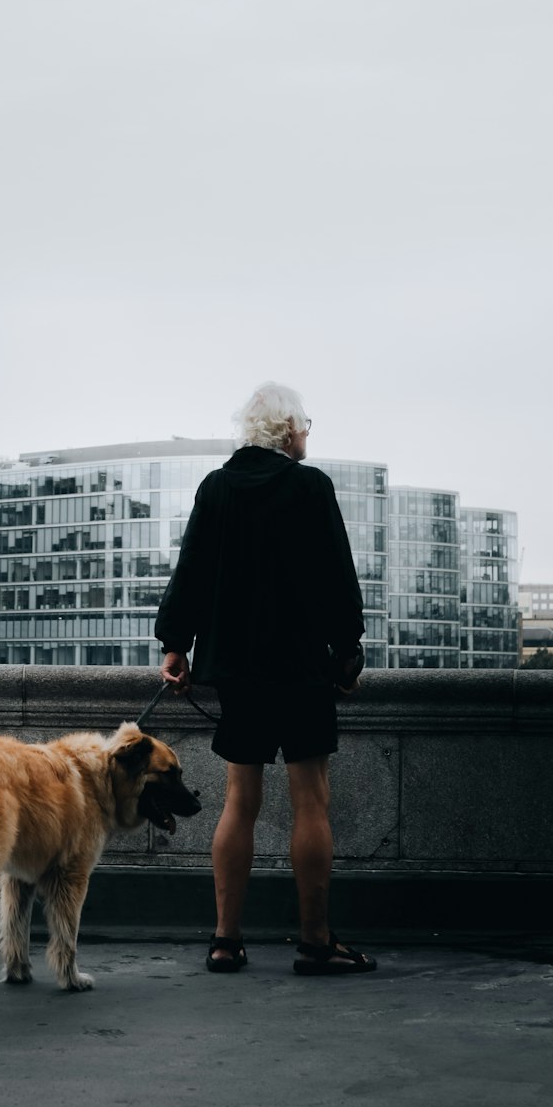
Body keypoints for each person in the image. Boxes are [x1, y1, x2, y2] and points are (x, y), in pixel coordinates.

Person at [156, 381, 376, 976]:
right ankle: (314, 941)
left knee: (239, 802)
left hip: (238, 669)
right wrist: (347, 651)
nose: (308, 433)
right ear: (288, 430)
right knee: (312, 802)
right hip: (302, 665)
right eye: (305, 424)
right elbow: (337, 574)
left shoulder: (218, 488)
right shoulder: (311, 487)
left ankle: (226, 941)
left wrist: (176, 644)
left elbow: (193, 570)